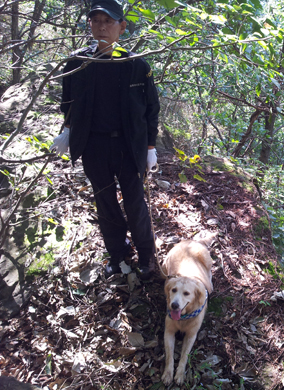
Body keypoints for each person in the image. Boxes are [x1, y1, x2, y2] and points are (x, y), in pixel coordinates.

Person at [52, 0, 160, 280]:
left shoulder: (136, 65)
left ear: (122, 27)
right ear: (89, 24)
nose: (101, 26)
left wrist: (150, 148)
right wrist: (67, 130)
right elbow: (69, 103)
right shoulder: (78, 62)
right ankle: (117, 253)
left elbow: (151, 109)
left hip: (128, 145)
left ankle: (146, 256)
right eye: (96, 20)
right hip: (94, 145)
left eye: (108, 21)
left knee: (135, 201)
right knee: (105, 201)